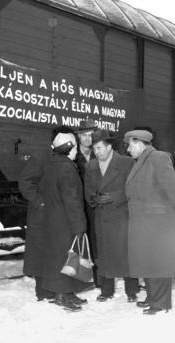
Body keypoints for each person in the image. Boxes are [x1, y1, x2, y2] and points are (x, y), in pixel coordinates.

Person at [19, 126, 88, 312]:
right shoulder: (43, 156)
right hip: (43, 215)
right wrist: (41, 202)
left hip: (57, 214)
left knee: (62, 254)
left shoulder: (63, 159)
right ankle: (47, 293)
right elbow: (25, 182)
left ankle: (65, 291)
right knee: (46, 255)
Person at [124, 129, 175, 315]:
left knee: (160, 262)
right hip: (146, 222)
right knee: (149, 261)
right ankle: (152, 297)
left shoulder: (158, 158)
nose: (128, 149)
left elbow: (174, 186)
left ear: (140, 143)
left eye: (130, 145)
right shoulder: (142, 161)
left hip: (158, 222)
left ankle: (160, 303)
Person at [84, 129, 139, 302]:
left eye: (99, 148)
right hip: (101, 217)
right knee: (104, 255)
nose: (96, 152)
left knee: (126, 254)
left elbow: (134, 188)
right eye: (94, 149)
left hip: (121, 215)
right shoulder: (91, 166)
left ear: (109, 147)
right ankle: (106, 290)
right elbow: (87, 189)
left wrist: (114, 197)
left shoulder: (126, 163)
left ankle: (132, 290)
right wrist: (93, 197)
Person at [74, 119, 99, 285]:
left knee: (96, 240)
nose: (88, 139)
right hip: (78, 204)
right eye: (84, 135)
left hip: (95, 204)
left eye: (91, 135)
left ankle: (97, 278)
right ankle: (80, 278)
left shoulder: (99, 154)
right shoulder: (73, 156)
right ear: (78, 137)